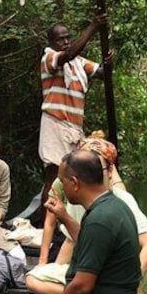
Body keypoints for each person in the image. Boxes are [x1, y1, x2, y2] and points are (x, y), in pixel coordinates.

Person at [28, 137, 147, 294]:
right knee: (38, 277)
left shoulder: (119, 203)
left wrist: (129, 290)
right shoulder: (86, 203)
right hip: (105, 282)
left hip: (121, 286)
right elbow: (79, 240)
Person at [16, 149, 140, 294]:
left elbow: (82, 287)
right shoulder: (114, 206)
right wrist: (64, 217)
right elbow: (91, 242)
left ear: (74, 183)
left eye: (62, 181)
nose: (61, 187)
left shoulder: (100, 219)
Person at [38, 12, 113, 214]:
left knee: (73, 177)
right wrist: (93, 26)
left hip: (74, 128)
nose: (65, 41)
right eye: (60, 39)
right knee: (54, 177)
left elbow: (100, 73)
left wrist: (108, 63)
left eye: (67, 37)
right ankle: (48, 226)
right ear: (52, 42)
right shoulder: (50, 57)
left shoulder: (79, 62)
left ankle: (67, 221)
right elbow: (68, 54)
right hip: (55, 123)